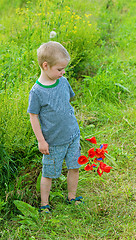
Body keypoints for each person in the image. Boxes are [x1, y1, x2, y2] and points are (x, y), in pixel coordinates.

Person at [27, 41, 83, 213]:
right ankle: (44, 204)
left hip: (72, 135)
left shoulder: (63, 82)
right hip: (53, 142)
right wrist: (41, 141)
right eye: (59, 69)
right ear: (45, 66)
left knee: (74, 166)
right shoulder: (37, 92)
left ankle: (72, 197)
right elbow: (33, 116)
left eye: (64, 69)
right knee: (49, 173)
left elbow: (66, 104)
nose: (63, 72)